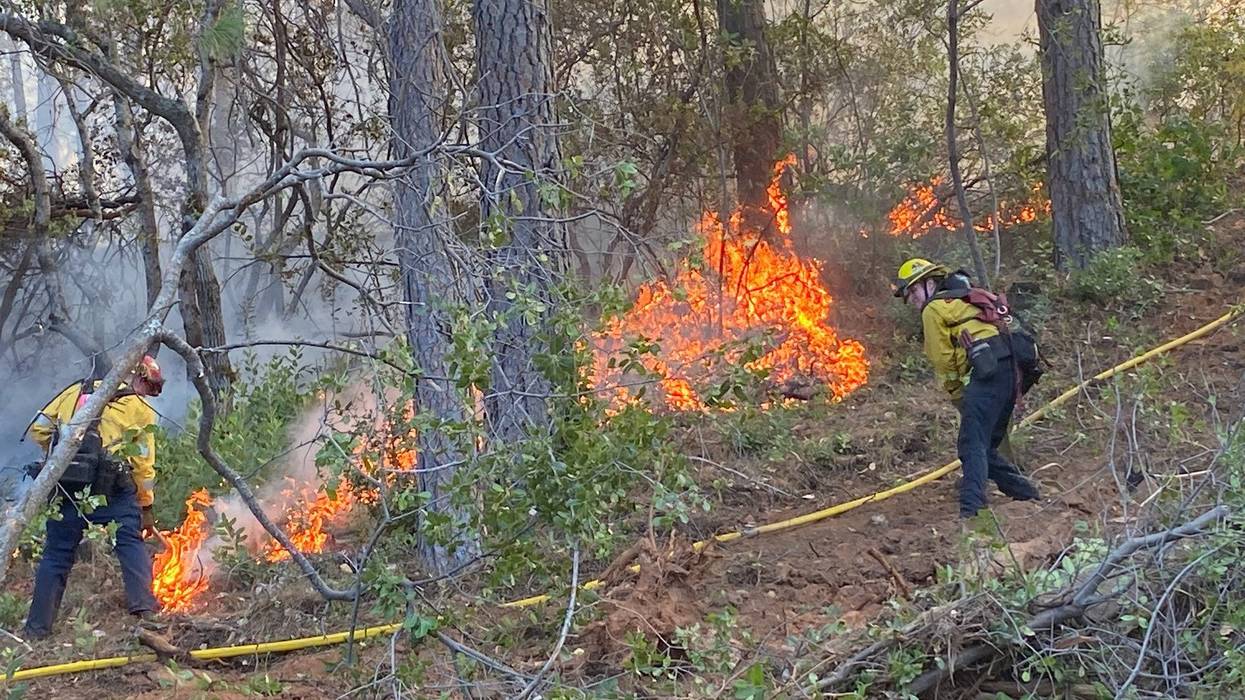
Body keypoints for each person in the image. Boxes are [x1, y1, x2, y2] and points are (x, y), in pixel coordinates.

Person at [23, 356, 165, 639]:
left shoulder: (74, 392)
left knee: (56, 555)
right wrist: (145, 504)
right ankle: (145, 611)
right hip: (113, 492)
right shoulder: (138, 407)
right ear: (137, 377)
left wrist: (61, 453)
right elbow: (143, 464)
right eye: (150, 387)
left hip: (67, 488)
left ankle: (37, 629)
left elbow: (38, 428)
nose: (150, 394)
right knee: (128, 542)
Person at [893, 259, 1039, 520]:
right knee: (984, 446)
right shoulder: (962, 299)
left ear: (929, 283)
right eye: (908, 296)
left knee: (971, 444)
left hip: (987, 372)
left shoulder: (934, 309)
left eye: (913, 291)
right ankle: (1026, 493)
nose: (912, 300)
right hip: (1011, 370)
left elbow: (943, 359)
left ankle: (971, 511)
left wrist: (957, 393)